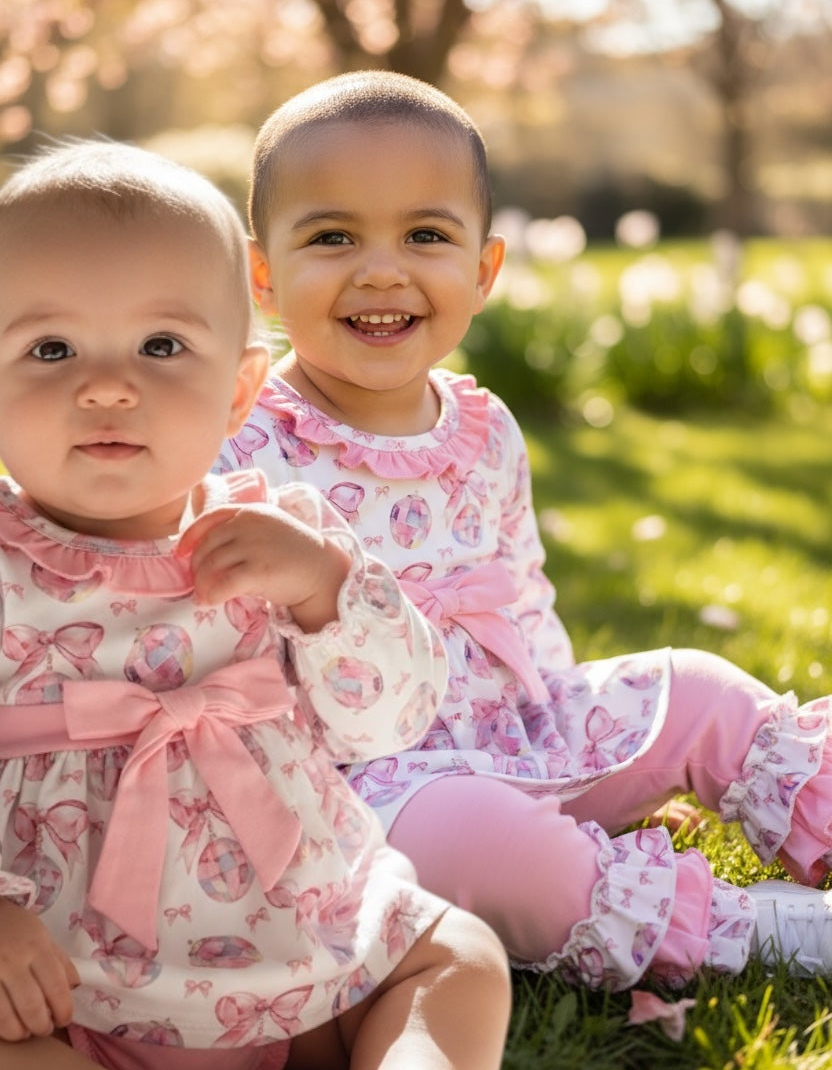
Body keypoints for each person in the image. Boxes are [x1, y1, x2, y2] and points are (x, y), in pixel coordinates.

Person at [217, 69, 832, 992]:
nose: (382, 269)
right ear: (264, 273)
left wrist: (576, 750)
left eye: (426, 235)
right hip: (358, 784)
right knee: (483, 838)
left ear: (483, 270)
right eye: (333, 236)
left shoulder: (484, 427)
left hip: (510, 726)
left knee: (696, 689)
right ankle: (746, 931)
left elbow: (524, 589)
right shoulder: (239, 438)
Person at [0, 139, 529, 1070]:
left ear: (241, 390)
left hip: (295, 948)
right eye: (50, 349)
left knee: (455, 953)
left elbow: (390, 721)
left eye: (162, 347)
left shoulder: (281, 538)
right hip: (66, 984)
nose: (109, 386)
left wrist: (332, 590)